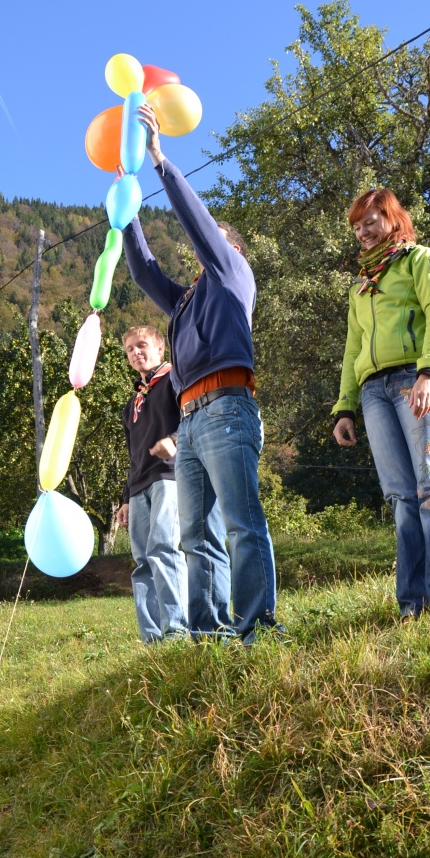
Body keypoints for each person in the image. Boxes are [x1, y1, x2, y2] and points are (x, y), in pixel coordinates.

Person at [121, 103, 278, 643]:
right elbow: (144, 272)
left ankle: (257, 623)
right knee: (195, 535)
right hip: (189, 419)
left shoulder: (233, 273)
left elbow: (197, 225)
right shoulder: (186, 302)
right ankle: (208, 631)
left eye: (215, 240)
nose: (204, 249)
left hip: (229, 407)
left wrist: (160, 160)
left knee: (240, 522)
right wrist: (128, 209)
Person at [332, 186, 430, 618]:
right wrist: (344, 407)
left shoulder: (421, 260)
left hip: (414, 379)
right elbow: (353, 348)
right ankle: (413, 606)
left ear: (393, 219)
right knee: (400, 496)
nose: (362, 232)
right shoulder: (361, 288)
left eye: (369, 222)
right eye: (356, 227)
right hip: (373, 392)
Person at [114, 325, 188, 642]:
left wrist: (174, 439)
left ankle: (176, 629)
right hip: (140, 485)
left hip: (168, 476)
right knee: (142, 561)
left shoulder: (176, 379)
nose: (135, 353)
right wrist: (126, 498)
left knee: (164, 548)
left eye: (141, 345)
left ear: (160, 348)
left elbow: (195, 416)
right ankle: (153, 639)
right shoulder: (133, 403)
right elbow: (133, 454)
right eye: (129, 349)